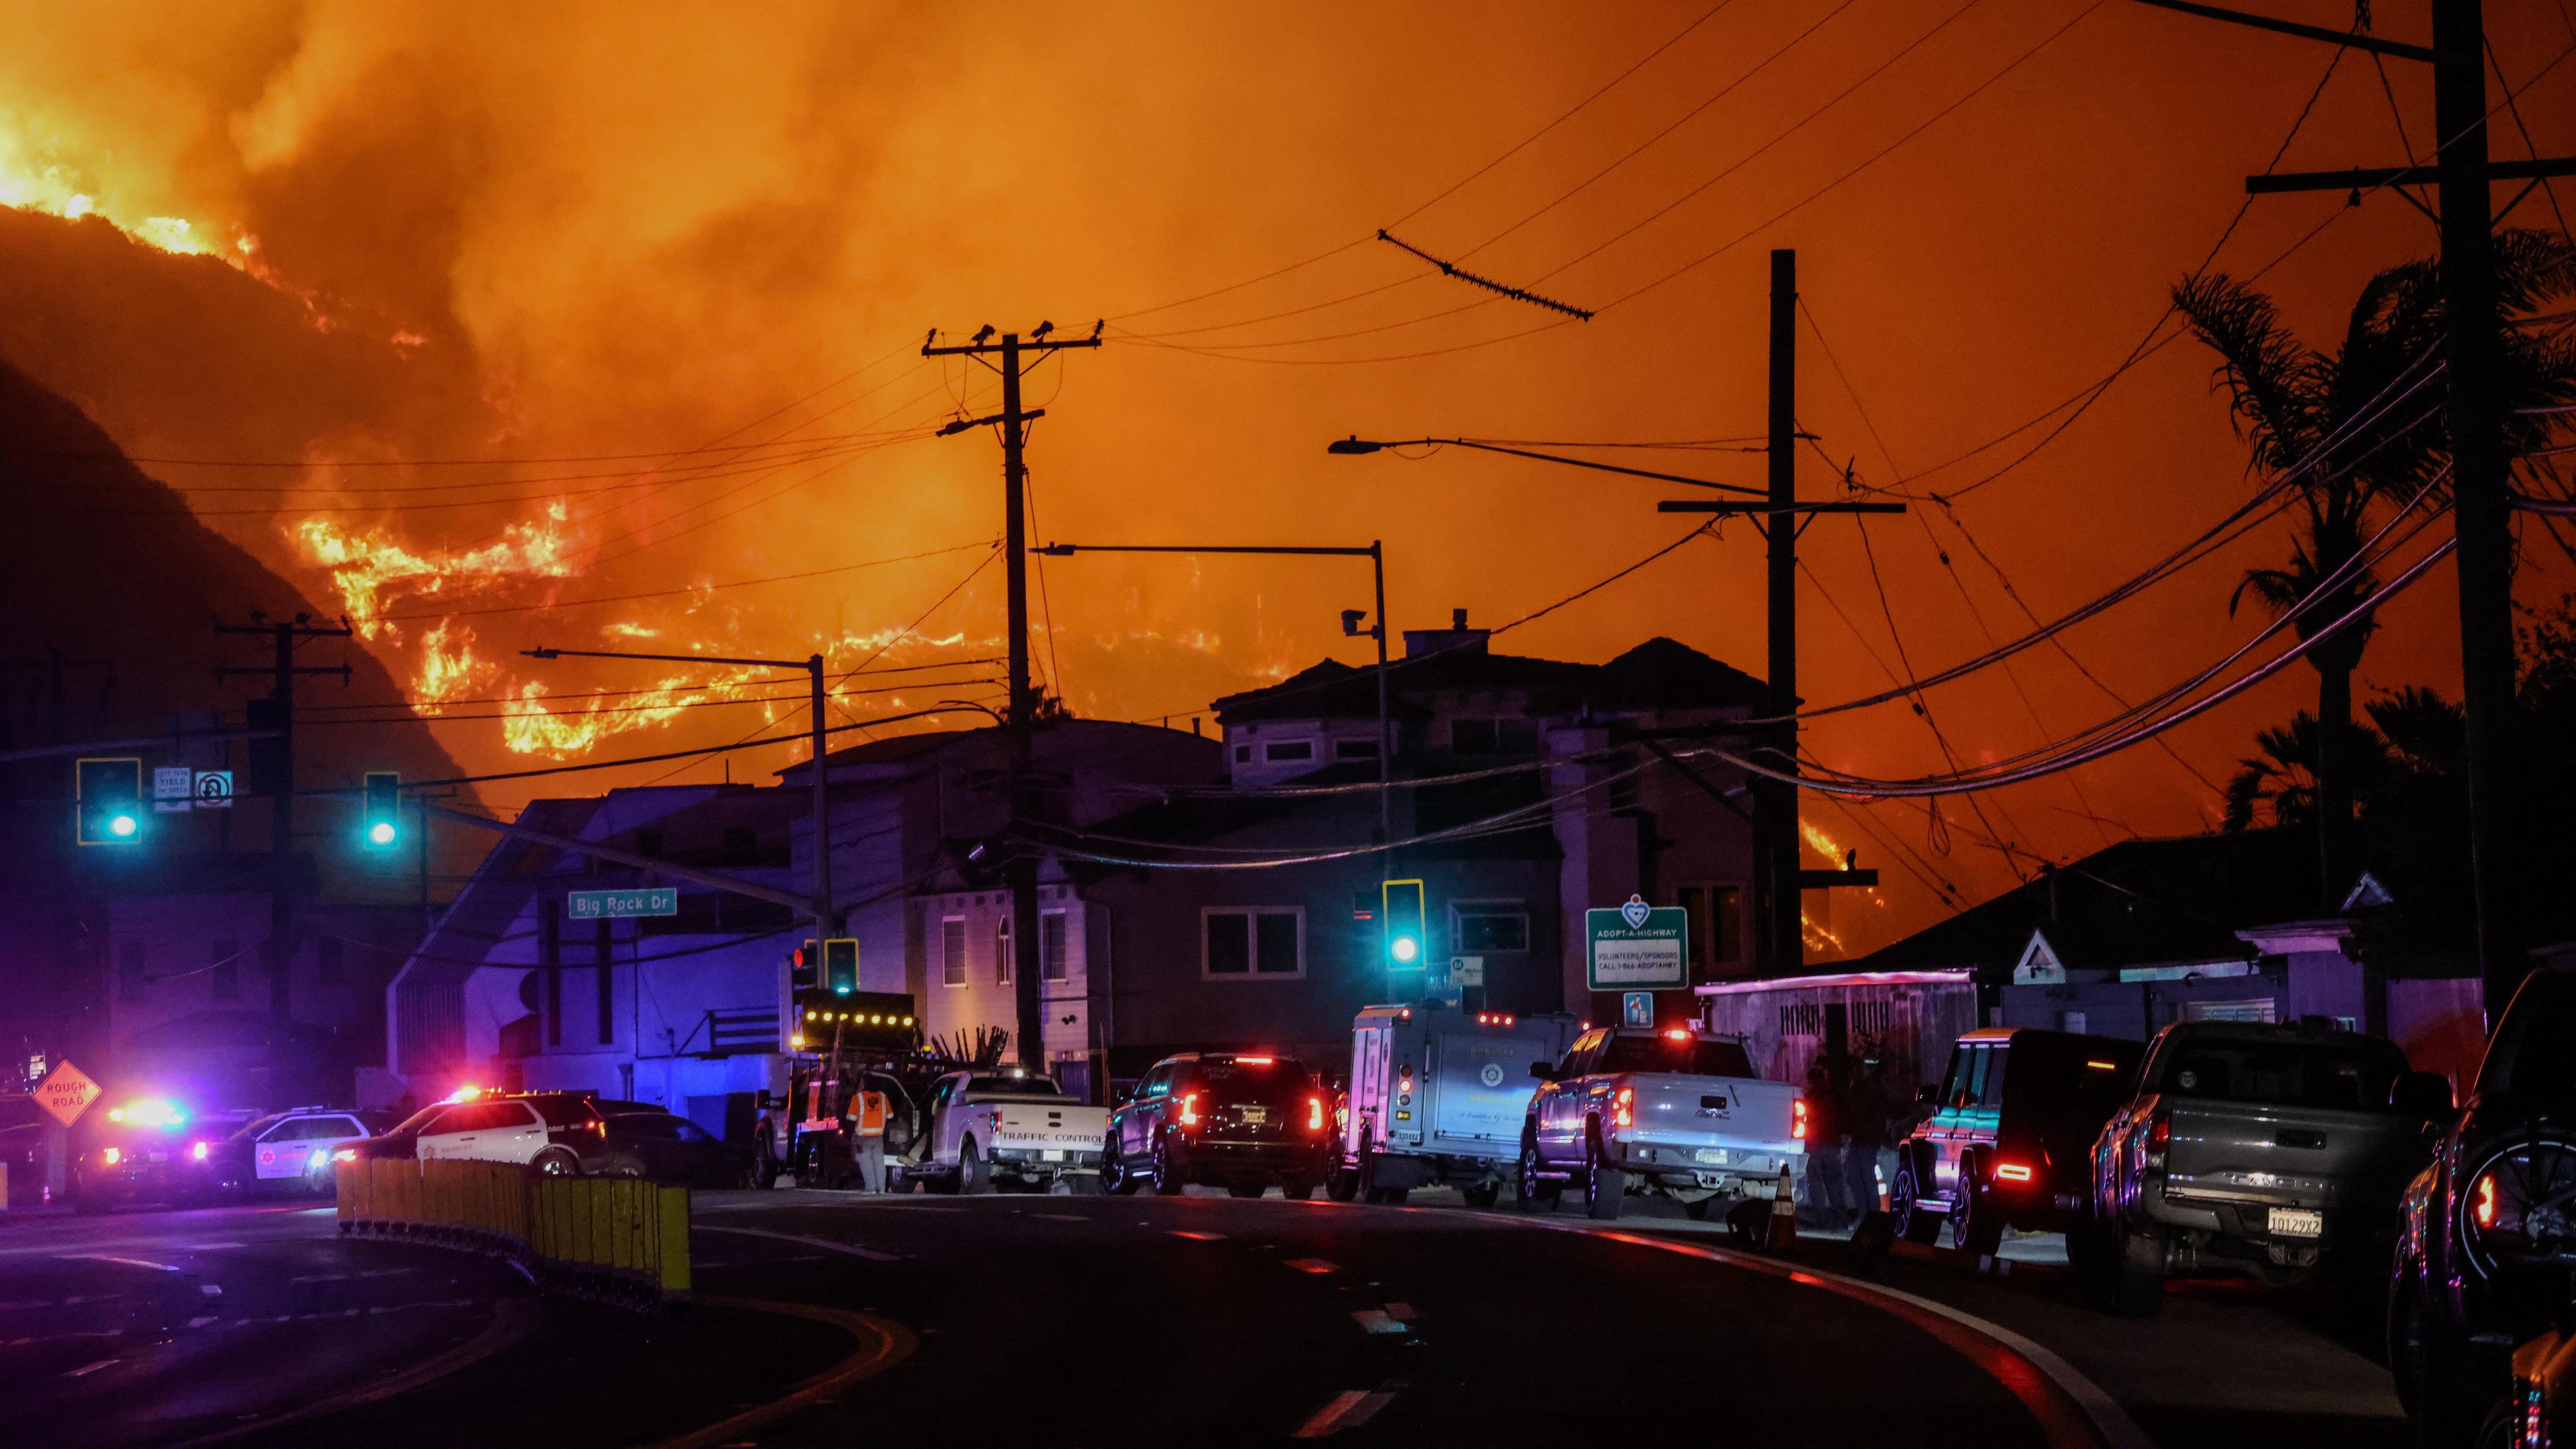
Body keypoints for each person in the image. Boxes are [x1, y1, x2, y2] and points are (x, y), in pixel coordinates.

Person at [1803, 1054, 1853, 1231]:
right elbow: (1840, 1119)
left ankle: (1822, 1218)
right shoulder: (1831, 1098)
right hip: (1830, 1144)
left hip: (1815, 1145)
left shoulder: (1808, 1099)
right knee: (1834, 1183)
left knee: (1817, 1183)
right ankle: (1840, 1218)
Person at [1844, 1046, 1895, 1216]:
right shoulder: (1869, 1086)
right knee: (1855, 1177)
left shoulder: (1873, 1088)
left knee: (1865, 1177)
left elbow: (1860, 1109)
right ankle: (1865, 1213)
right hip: (1862, 1138)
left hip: (1868, 1139)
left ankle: (1870, 1214)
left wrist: (1853, 1090)